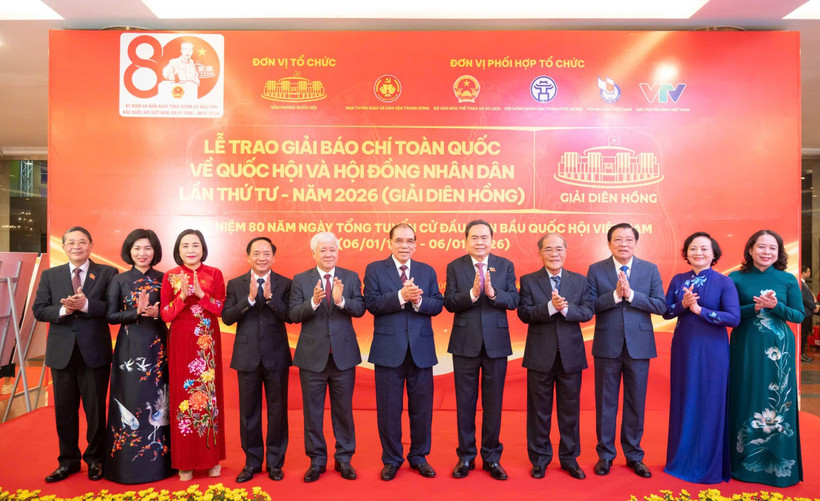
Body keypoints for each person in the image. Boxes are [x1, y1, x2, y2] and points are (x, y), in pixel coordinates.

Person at [32, 226, 118, 483]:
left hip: (94, 352)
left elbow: (111, 309)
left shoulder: (107, 273)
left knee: (94, 411)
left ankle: (96, 460)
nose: (77, 246)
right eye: (71, 242)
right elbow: (39, 309)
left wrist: (87, 305)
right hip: (62, 354)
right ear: (64, 246)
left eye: (82, 242)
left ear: (91, 245)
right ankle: (67, 461)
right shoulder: (51, 275)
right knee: (65, 411)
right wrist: (64, 311)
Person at [586, 222, 666, 478]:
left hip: (639, 347)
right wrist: (613, 295)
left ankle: (633, 455)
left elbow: (660, 306)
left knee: (635, 402)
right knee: (605, 402)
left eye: (628, 239)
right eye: (618, 240)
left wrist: (631, 295)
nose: (623, 244)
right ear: (609, 243)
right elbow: (588, 307)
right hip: (607, 345)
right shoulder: (596, 270)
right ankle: (605, 455)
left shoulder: (649, 269)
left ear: (635, 243)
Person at [364, 223, 443, 481]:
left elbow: (438, 304)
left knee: (422, 409)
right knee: (388, 409)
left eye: (409, 241)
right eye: (399, 241)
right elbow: (372, 304)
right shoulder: (375, 269)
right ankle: (392, 459)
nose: (404, 246)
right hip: (388, 351)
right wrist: (400, 296)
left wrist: (418, 300)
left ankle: (419, 456)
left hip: (421, 351)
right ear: (390, 243)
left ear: (416, 244)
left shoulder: (427, 270)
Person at [444, 219, 519, 480]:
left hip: (496, 345)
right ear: (466, 241)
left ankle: (491, 457)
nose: (479, 242)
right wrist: (473, 294)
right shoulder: (455, 266)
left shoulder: (505, 265)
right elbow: (449, 303)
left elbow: (514, 301)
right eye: (474, 237)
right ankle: (465, 456)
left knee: (493, 403)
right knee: (465, 403)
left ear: (492, 240)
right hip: (465, 345)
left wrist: (493, 292)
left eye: (484, 237)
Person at [662, 232, 740, 483]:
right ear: (686, 253)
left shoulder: (724, 282)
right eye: (693, 249)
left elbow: (733, 318)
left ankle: (707, 461)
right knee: (685, 400)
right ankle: (681, 459)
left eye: (704, 249)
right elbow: (666, 312)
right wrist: (683, 306)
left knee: (710, 401)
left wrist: (700, 310)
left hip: (713, 351)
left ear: (714, 254)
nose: (698, 253)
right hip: (684, 348)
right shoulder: (678, 279)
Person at [288, 232, 365, 483]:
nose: (328, 254)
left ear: (338, 252)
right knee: (313, 412)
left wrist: (341, 301)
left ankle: (344, 458)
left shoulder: (351, 277)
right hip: (312, 358)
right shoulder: (301, 280)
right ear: (313, 254)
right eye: (323, 250)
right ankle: (317, 461)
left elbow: (361, 308)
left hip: (343, 357)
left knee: (343, 411)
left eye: (332, 249)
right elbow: (293, 314)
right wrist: (312, 302)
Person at [728, 229, 803, 487]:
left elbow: (798, 315)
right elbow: (729, 314)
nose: (767, 252)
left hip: (778, 350)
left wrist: (775, 307)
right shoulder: (735, 277)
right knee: (745, 394)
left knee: (777, 398)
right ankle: (743, 463)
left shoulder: (787, 279)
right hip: (745, 345)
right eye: (761, 247)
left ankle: (777, 466)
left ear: (779, 252)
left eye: (772, 248)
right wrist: (755, 307)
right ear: (750, 250)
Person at [518, 233, 593, 480]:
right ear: (540, 253)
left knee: (569, 411)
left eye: (559, 249)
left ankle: (570, 459)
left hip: (570, 355)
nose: (554, 253)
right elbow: (524, 313)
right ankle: (539, 459)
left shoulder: (580, 281)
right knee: (539, 410)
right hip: (540, 355)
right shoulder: (529, 280)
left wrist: (566, 309)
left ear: (566, 252)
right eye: (548, 249)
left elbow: (587, 312)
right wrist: (550, 307)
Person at [104, 229, 171, 483]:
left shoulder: (166, 279)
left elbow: (172, 312)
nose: (142, 254)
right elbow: (110, 316)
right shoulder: (119, 280)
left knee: (158, 400)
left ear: (155, 251)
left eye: (148, 248)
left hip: (158, 348)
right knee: (129, 399)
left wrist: (157, 313)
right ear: (129, 251)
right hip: (129, 351)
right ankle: (124, 466)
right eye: (137, 248)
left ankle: (160, 465)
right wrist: (135, 312)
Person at [222, 237, 292, 483]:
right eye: (256, 253)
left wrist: (271, 299)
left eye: (266, 253)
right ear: (248, 257)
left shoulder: (285, 283)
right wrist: (249, 299)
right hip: (247, 357)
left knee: (277, 412)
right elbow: (227, 317)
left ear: (273, 257)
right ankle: (252, 462)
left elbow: (291, 317)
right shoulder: (235, 284)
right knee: (248, 413)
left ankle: (275, 463)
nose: (262, 257)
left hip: (277, 356)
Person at [160, 229, 226, 481]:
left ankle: (211, 460)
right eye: (185, 245)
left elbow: (221, 309)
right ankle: (185, 462)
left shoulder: (215, 274)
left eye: (195, 244)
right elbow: (165, 314)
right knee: (182, 396)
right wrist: (182, 297)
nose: (190, 249)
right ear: (178, 250)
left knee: (208, 397)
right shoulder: (171, 276)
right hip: (180, 340)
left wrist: (201, 295)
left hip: (206, 341)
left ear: (203, 248)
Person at [800, 265, 818, 363]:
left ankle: (803, 353)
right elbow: (805, 298)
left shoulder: (804, 284)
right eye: (808, 271)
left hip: (808, 313)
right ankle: (801, 354)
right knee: (802, 335)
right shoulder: (800, 284)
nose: (810, 273)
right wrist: (814, 307)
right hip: (805, 313)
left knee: (805, 334)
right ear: (803, 272)